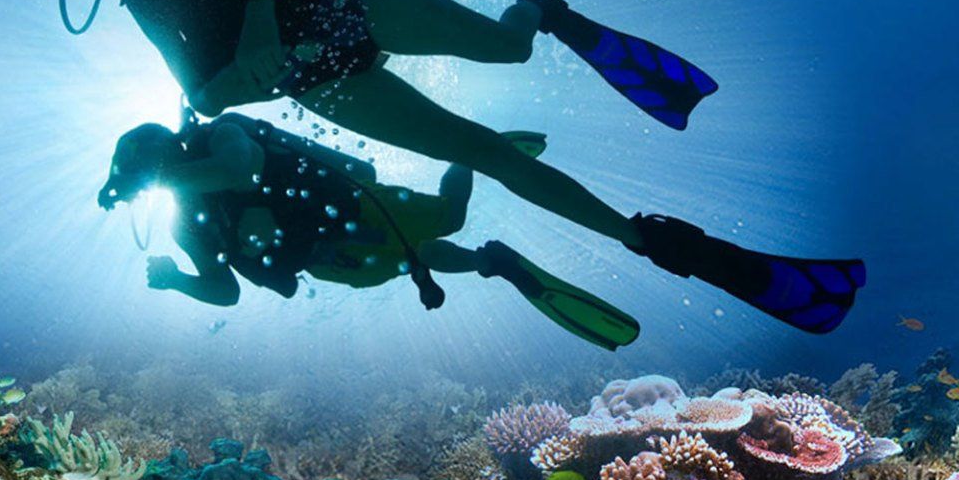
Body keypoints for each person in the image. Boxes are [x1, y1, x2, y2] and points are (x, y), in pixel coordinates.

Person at [55, 0, 865, 334]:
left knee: (505, 51)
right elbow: (202, 93)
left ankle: (538, 11)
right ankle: (649, 239)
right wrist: (249, 77)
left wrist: (264, 13)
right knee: (487, 153)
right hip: (318, 80)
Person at [97, 115, 640, 349]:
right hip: (329, 260)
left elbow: (240, 169)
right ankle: (488, 261)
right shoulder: (185, 224)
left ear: (167, 149)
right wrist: (174, 281)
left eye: (152, 168)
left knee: (448, 216)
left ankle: (475, 150)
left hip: (355, 202)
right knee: (412, 260)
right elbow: (225, 290)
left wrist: (158, 175)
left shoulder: (222, 133)